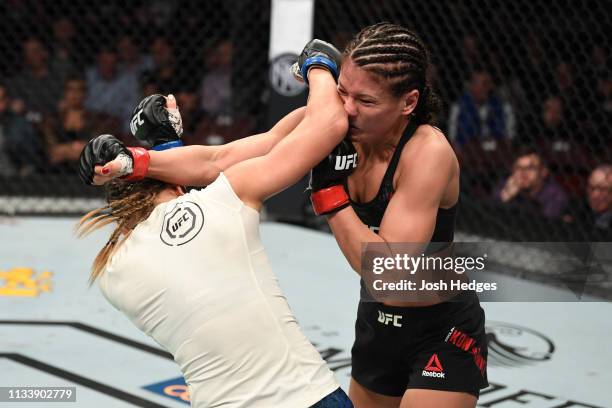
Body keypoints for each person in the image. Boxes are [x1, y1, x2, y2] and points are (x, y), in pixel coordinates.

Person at [77, 40, 353, 408]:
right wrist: (319, 67)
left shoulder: (112, 272)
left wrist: (160, 150)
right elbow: (321, 124)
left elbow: (197, 188)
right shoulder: (222, 204)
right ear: (177, 182)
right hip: (303, 398)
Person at [308, 23, 488, 407]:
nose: (349, 109)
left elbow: (389, 275)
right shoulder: (339, 124)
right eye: (343, 92)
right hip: (378, 323)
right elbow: (232, 157)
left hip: (443, 326)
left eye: (367, 101)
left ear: (408, 103)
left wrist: (328, 192)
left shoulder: (428, 153)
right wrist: (149, 159)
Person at [493, 147, 568, 219]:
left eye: (530, 168)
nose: (523, 174)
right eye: (518, 168)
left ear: (543, 172)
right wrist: (506, 196)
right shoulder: (505, 184)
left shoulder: (555, 195)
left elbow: (543, 222)